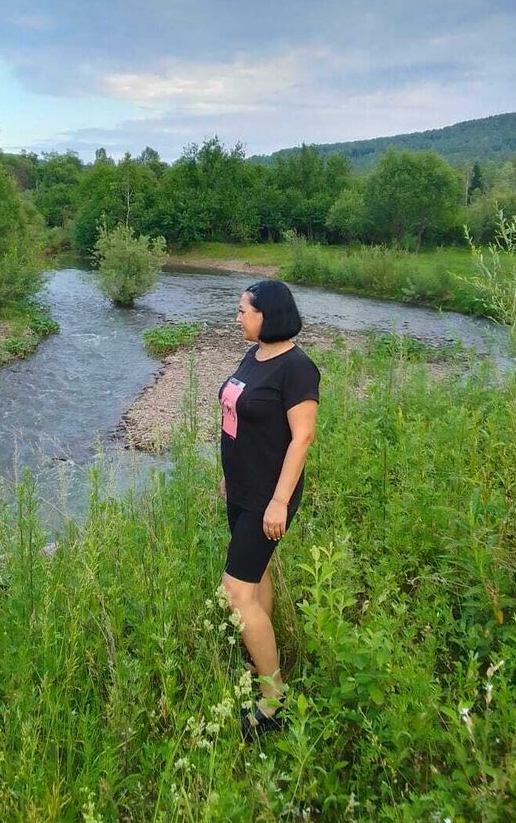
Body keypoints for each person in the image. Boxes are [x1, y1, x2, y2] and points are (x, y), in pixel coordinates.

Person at [217, 279, 320, 738]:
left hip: (269, 496)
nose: (237, 317)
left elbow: (302, 437)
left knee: (235, 590)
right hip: (242, 488)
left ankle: (274, 700)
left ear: (266, 315)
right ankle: (262, 653)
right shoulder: (254, 355)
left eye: (243, 310)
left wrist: (279, 501)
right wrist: (230, 473)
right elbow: (239, 419)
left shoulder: (297, 368)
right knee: (255, 578)